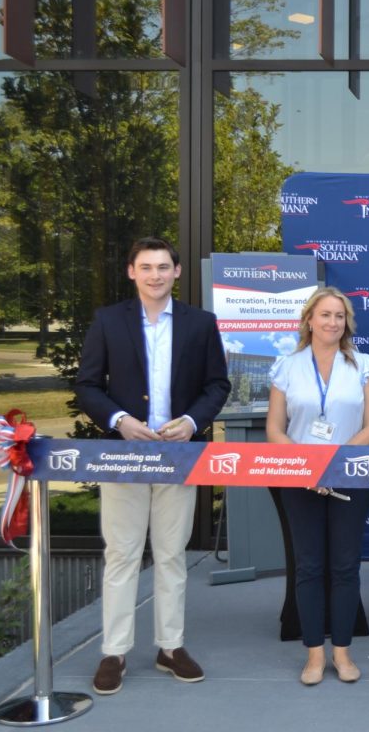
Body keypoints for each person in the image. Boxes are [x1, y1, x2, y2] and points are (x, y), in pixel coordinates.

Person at [75, 237, 230, 696]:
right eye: (146, 267)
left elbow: (216, 384)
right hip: (123, 455)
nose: (156, 275)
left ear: (177, 272)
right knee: (121, 554)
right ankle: (114, 651)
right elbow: (87, 385)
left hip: (177, 455)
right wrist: (119, 420)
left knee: (170, 555)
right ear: (131, 272)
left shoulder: (201, 324)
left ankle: (170, 646)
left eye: (163, 267)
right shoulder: (107, 321)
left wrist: (192, 421)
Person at [266, 288, 369, 685]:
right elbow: (274, 429)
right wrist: (307, 466)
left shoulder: (364, 365)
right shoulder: (286, 367)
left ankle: (343, 654)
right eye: (325, 314)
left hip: (350, 477)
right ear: (309, 320)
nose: (332, 322)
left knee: (346, 567)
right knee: (310, 567)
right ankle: (314, 655)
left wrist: (333, 464)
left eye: (339, 316)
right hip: (300, 480)